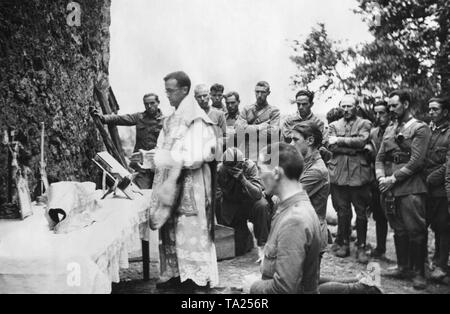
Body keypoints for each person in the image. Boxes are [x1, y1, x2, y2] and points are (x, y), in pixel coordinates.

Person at [148, 71, 219, 290]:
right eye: (166, 90)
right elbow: (162, 147)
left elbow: (199, 156)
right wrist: (148, 157)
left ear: (184, 90)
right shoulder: (170, 120)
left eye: (170, 90)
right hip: (170, 180)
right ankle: (174, 272)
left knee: (189, 228)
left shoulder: (196, 119)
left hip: (191, 183)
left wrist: (166, 157)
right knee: (170, 229)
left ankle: (194, 275)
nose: (167, 95)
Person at [244, 142, 321, 294]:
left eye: (260, 169)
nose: (259, 176)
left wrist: (253, 286)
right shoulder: (290, 208)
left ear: (277, 173)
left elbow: (284, 289)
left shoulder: (294, 220)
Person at [376, 90, 431, 290]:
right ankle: (403, 266)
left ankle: (419, 273)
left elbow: (417, 161)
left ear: (406, 104)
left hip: (411, 188)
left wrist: (393, 178)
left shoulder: (419, 128)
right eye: (389, 106)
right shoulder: (390, 128)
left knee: (416, 230)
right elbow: (380, 157)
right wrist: (381, 177)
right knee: (398, 229)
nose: (390, 109)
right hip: (389, 188)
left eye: (394, 105)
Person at [327, 94, 372, 263]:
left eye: (349, 106)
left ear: (356, 108)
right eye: (343, 106)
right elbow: (330, 146)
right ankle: (344, 242)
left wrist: (340, 141)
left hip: (358, 175)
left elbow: (362, 141)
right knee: (343, 211)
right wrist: (353, 149)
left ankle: (361, 246)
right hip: (339, 175)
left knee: (361, 212)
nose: (346, 110)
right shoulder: (333, 125)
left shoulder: (364, 123)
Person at [90, 93, 163, 189]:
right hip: (142, 168)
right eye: (146, 104)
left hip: (159, 167)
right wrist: (103, 118)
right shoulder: (139, 117)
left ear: (158, 103)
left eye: (152, 103)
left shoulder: (165, 121)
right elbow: (120, 118)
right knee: (140, 194)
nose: (149, 106)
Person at [216, 147, 271, 258]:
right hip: (233, 206)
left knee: (262, 205)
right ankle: (246, 237)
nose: (232, 170)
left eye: (236, 166)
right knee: (237, 250)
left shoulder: (249, 166)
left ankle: (263, 245)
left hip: (250, 203)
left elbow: (257, 194)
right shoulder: (220, 170)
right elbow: (217, 196)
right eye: (229, 168)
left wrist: (243, 179)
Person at [288, 121, 330, 263]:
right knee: (302, 282)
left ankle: (358, 286)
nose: (291, 145)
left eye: (295, 140)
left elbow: (287, 197)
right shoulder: (304, 163)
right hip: (302, 228)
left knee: (307, 283)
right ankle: (358, 285)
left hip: (311, 232)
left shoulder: (316, 170)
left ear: (310, 140)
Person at [425, 96, 450, 281]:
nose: (431, 112)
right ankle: (424, 262)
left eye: (435, 109)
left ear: (445, 112)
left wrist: (431, 178)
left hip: (441, 188)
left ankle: (441, 265)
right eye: (430, 109)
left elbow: (447, 166)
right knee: (422, 224)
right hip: (424, 187)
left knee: (442, 227)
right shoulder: (426, 130)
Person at [367, 100, 390, 259]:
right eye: (376, 113)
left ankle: (411, 259)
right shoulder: (374, 133)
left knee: (398, 218)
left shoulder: (395, 130)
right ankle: (380, 248)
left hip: (392, 177)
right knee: (379, 215)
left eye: (382, 113)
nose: (378, 116)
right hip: (376, 179)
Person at [235, 81, 280, 161]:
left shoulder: (274, 111)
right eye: (257, 92)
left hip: (265, 153)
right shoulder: (247, 109)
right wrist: (260, 127)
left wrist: (247, 130)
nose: (259, 95)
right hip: (246, 153)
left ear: (268, 93)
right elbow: (238, 130)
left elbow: (273, 133)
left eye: (263, 92)